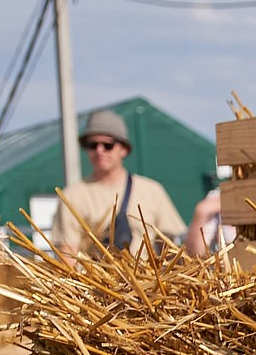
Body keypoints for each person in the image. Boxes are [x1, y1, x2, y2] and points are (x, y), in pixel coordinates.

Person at [52, 109, 187, 255]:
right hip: (94, 276)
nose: (99, 150)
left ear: (123, 149)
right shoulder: (73, 195)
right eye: (92, 145)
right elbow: (67, 252)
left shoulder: (152, 190)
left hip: (147, 277)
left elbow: (172, 244)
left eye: (108, 145)